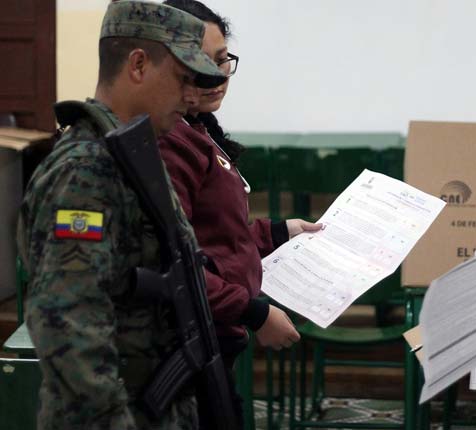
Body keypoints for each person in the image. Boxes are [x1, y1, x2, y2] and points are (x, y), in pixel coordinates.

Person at [16, 1, 228, 429]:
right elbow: (68, 322)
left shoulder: (131, 157)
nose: (192, 98)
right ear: (137, 65)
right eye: (183, 79)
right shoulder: (86, 171)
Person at [158, 0, 320, 426]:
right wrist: (255, 312)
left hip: (217, 329)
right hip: (192, 334)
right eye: (200, 62)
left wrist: (280, 231)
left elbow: (215, 234)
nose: (216, 75)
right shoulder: (170, 140)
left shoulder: (197, 129)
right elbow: (174, 259)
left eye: (222, 60)